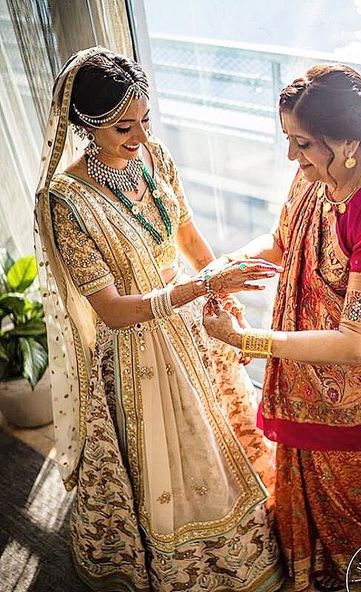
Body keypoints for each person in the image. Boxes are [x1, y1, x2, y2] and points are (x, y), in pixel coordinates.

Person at [34, 46, 284, 592]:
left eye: (146, 120)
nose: (141, 138)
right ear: (85, 124)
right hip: (139, 356)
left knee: (227, 448)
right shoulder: (66, 202)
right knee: (179, 470)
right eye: (124, 127)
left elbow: (188, 236)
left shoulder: (153, 157)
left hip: (194, 328)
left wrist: (218, 284)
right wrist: (203, 286)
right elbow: (113, 312)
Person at [203, 64, 361, 592]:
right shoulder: (316, 178)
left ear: (347, 141)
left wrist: (247, 342)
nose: (292, 156)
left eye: (304, 143)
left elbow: (360, 344)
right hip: (307, 376)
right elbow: (281, 242)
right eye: (289, 139)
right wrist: (220, 271)